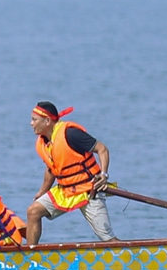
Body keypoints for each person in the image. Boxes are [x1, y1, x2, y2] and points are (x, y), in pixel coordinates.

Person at [24, 102, 114, 244]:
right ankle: (30, 257)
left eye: (34, 119)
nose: (31, 123)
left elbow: (102, 149)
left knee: (107, 239)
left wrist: (104, 175)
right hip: (65, 191)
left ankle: (131, 259)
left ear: (47, 121)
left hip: (89, 190)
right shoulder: (44, 142)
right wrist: (43, 191)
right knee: (33, 211)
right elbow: (51, 169)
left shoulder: (70, 134)